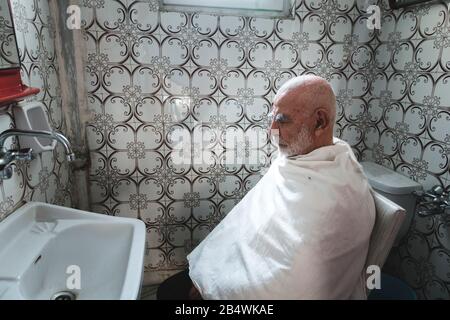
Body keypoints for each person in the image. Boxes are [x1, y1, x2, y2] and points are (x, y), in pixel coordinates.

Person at [157, 75, 376, 300]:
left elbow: (292, 283)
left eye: (283, 120)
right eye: (272, 118)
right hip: (239, 270)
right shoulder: (296, 159)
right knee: (168, 289)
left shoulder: (336, 196)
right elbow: (250, 229)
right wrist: (211, 277)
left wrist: (215, 291)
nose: (272, 130)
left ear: (320, 122)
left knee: (169, 294)